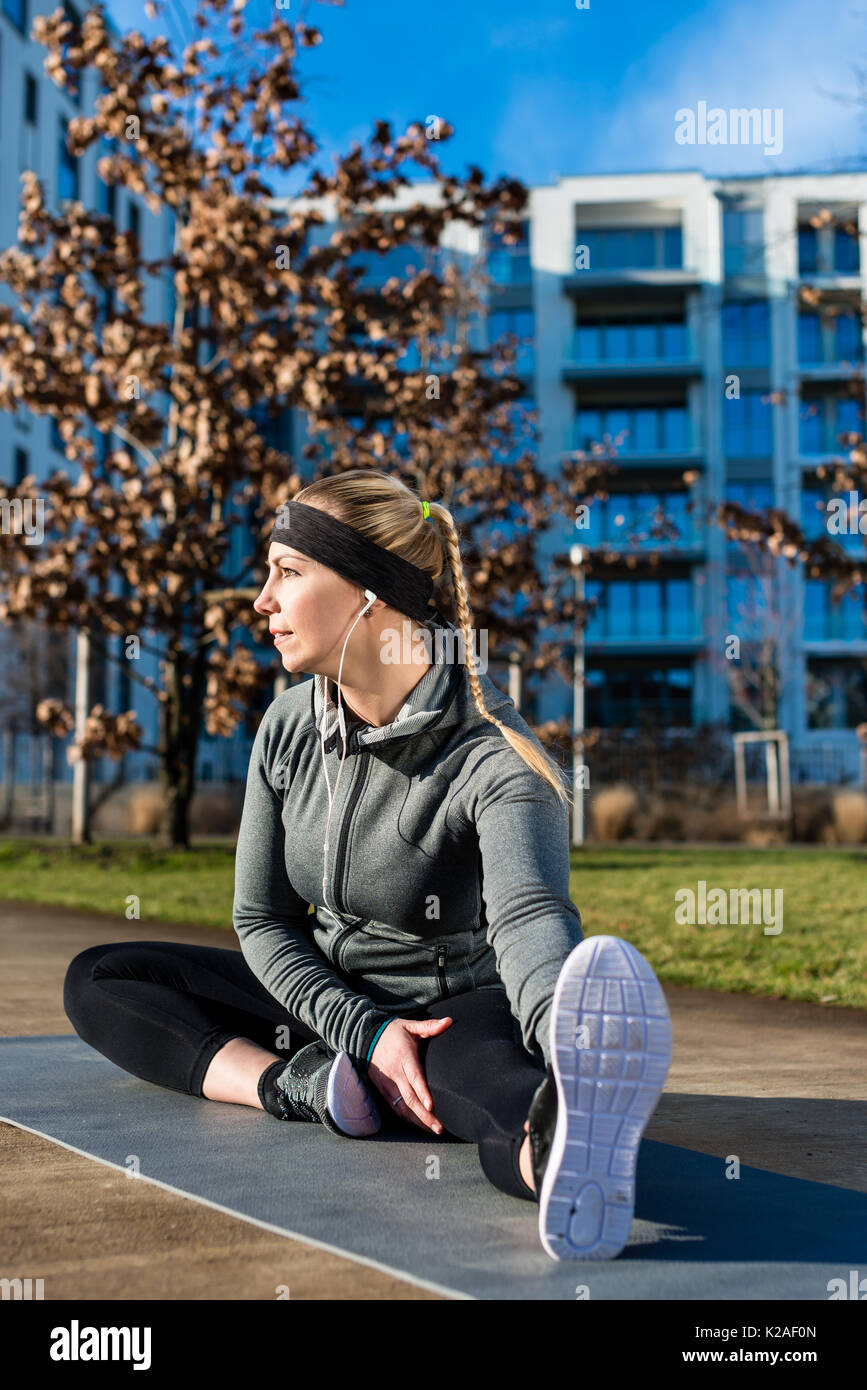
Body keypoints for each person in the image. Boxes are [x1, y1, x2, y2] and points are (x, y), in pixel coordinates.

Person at [64, 469, 672, 1262]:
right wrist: (361, 1029)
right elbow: (263, 919)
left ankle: (569, 1152)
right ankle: (304, 1085)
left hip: (449, 1009)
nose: (260, 602)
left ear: (368, 595)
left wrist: (567, 1034)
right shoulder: (287, 727)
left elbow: (529, 921)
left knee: (494, 1091)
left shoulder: (497, 763)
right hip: (328, 1001)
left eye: (287, 572)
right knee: (102, 976)